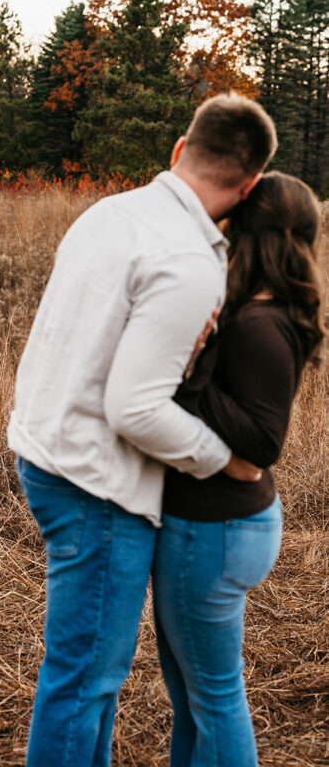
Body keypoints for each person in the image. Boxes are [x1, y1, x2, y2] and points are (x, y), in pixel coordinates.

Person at [8, 92, 278, 767]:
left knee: (83, 677)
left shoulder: (110, 213)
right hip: (93, 479)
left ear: (179, 151)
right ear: (247, 186)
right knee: (85, 681)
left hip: (47, 448)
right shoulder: (188, 261)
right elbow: (134, 409)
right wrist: (226, 460)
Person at [153, 171, 326, 767]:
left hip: (215, 532)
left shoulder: (258, 324)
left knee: (214, 698)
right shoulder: (259, 311)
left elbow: (260, 445)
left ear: (245, 232)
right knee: (194, 696)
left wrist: (194, 365)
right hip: (215, 527)